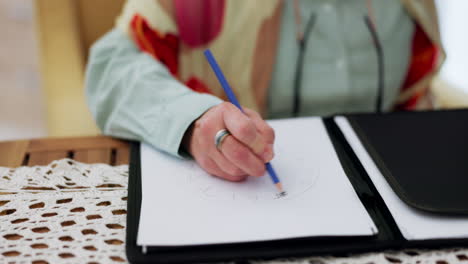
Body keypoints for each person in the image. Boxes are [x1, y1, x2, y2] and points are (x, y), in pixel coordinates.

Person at [85, 0, 444, 182]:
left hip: (394, 190)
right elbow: (113, 68)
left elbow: (418, 89)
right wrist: (194, 120)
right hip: (255, 191)